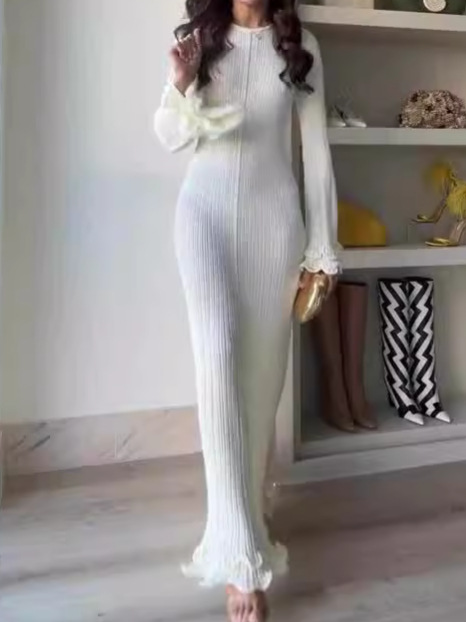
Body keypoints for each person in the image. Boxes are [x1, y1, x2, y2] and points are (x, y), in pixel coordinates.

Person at [154, 0, 339, 620]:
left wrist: (322, 249)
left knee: (261, 382)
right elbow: (171, 136)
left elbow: (317, 155)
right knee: (217, 360)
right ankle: (238, 554)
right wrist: (180, 83)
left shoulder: (301, 46)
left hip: (274, 228)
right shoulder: (198, 41)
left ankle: (251, 502)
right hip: (203, 219)